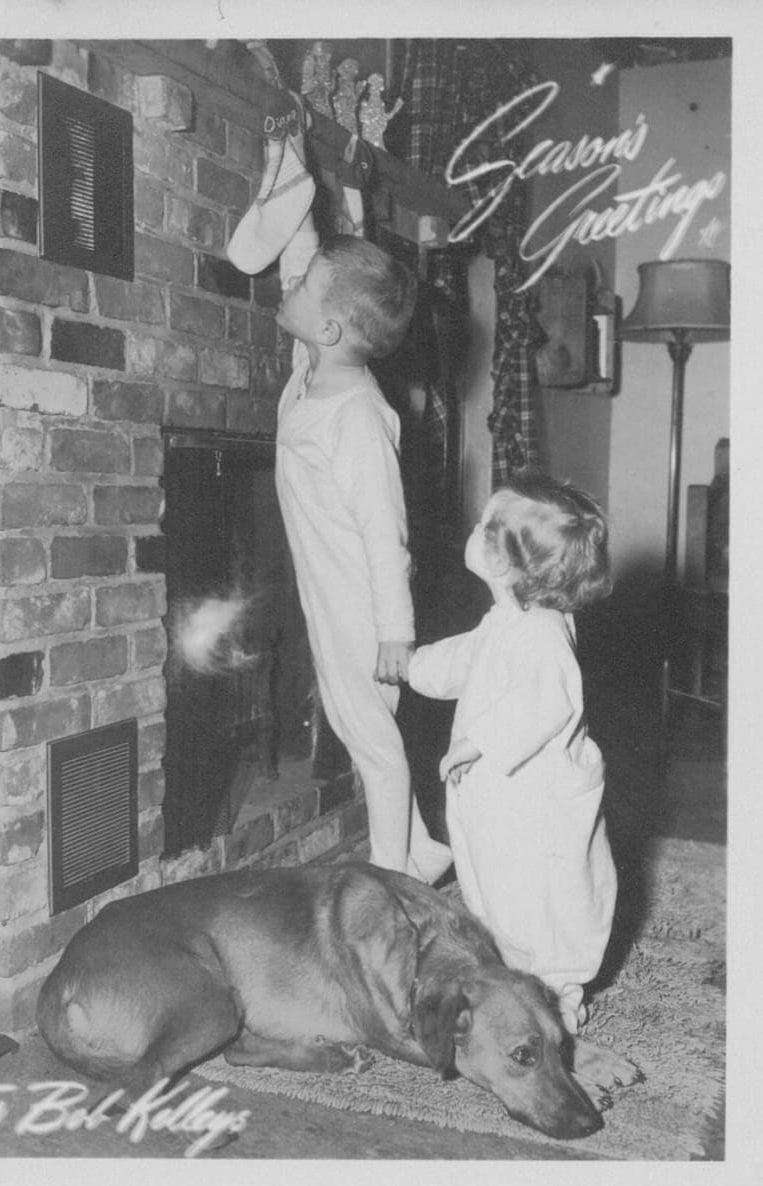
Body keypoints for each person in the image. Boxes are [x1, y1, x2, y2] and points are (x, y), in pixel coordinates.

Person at [228, 100, 453, 881]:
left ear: (327, 332)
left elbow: (385, 531)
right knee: (366, 732)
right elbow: (303, 257)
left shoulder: (358, 418)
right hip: (329, 595)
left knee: (371, 742)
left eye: (304, 288)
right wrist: (292, 169)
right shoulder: (315, 372)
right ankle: (422, 846)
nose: (290, 285)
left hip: (362, 606)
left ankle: (392, 876)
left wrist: (396, 632)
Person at [408, 473, 617, 1034]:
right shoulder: (504, 617)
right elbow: (466, 659)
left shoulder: (545, 633)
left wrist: (479, 741)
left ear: (500, 561)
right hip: (495, 797)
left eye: (482, 525)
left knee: (540, 902)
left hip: (536, 801)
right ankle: (505, 978)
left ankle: (557, 1000)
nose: (472, 529)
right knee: (489, 889)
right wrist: (412, 666)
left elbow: (544, 700)